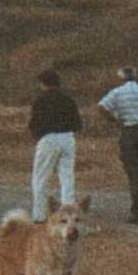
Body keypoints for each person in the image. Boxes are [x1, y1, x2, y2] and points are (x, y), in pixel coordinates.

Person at [97, 66, 138, 223]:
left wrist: (115, 120)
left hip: (129, 131)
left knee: (133, 173)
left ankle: (137, 213)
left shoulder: (117, 92)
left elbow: (101, 107)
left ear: (121, 78)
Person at [28, 68, 82, 221]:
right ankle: (69, 214)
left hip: (48, 138)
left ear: (43, 83)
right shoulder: (68, 99)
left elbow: (34, 123)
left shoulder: (40, 100)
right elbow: (77, 123)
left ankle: (39, 216)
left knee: (41, 177)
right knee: (67, 177)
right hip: (68, 138)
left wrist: (37, 135)